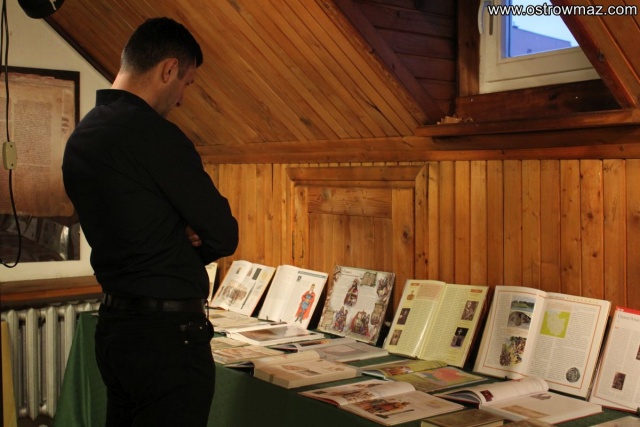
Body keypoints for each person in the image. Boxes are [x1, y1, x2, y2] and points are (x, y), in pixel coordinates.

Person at [62, 17, 239, 427]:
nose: (181, 99)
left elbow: (127, 223)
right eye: (186, 84)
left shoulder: (82, 137)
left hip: (115, 326)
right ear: (169, 69)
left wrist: (174, 232)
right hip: (167, 338)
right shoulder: (156, 136)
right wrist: (185, 236)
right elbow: (223, 233)